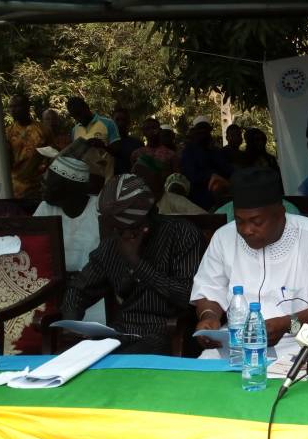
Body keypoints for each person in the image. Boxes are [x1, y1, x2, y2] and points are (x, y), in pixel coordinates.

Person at [191, 167, 308, 360]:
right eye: (240, 221)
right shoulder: (223, 237)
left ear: (280, 213)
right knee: (204, 367)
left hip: (300, 335)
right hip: (238, 340)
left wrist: (287, 323)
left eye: (256, 221)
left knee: (303, 374)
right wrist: (209, 316)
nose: (246, 230)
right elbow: (209, 288)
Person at [61, 174, 203, 354]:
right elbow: (79, 288)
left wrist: (136, 263)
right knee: (70, 360)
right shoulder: (113, 244)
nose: (115, 232)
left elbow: (188, 296)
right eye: (113, 227)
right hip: (120, 332)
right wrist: (72, 322)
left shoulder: (182, 234)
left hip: (166, 332)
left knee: (119, 362)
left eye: (121, 227)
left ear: (145, 222)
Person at [33, 155, 104, 322]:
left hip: (94, 294)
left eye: (49, 183)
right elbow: (32, 249)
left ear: (69, 189)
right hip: (53, 290)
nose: (42, 187)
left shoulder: (99, 210)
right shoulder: (45, 208)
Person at [180, 116, 232, 210]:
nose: (203, 132)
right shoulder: (188, 151)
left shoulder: (215, 151)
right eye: (200, 129)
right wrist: (211, 175)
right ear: (195, 132)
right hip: (198, 194)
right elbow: (192, 175)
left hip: (221, 190)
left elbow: (226, 170)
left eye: (205, 129)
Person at [68, 96, 119, 186]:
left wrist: (103, 146)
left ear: (86, 107)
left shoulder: (108, 123)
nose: (78, 118)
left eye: (79, 113)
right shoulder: (74, 130)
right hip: (83, 184)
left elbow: (118, 151)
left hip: (106, 182)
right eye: (75, 116)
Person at [5, 94, 47, 198]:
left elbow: (52, 156)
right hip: (15, 188)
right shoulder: (7, 132)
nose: (12, 110)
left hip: (38, 188)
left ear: (27, 107)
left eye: (16, 106)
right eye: (10, 107)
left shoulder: (42, 130)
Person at [110, 107, 144, 176]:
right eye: (117, 120)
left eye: (123, 120)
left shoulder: (137, 143)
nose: (120, 123)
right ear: (112, 122)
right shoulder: (105, 142)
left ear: (128, 122)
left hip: (131, 181)